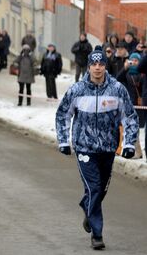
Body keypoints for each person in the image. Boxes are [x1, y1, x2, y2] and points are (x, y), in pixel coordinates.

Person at [56, 47, 138, 251]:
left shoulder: (117, 89)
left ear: (105, 66)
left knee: (100, 190)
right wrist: (64, 141)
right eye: (94, 64)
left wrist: (128, 143)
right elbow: (63, 115)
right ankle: (97, 233)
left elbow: (129, 117)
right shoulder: (77, 90)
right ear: (89, 67)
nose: (98, 68)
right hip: (84, 147)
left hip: (108, 148)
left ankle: (87, 207)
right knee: (94, 188)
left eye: (101, 64)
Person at [116, 53, 145, 130]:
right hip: (130, 103)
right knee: (131, 126)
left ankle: (137, 141)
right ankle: (135, 141)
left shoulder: (143, 73)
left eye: (136, 60)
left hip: (141, 103)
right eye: (132, 60)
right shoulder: (126, 73)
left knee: (140, 125)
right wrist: (124, 68)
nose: (134, 62)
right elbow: (118, 79)